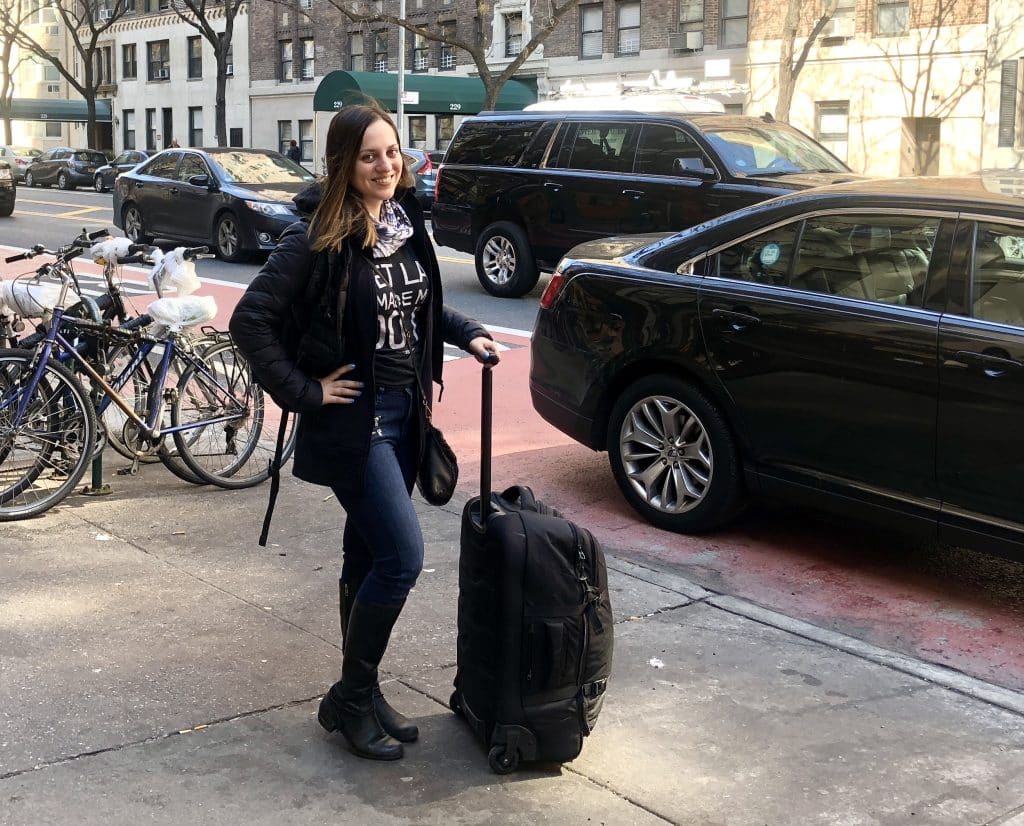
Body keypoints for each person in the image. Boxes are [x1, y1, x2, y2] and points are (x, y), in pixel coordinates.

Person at [229, 103, 500, 762]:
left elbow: (418, 305)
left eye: (392, 152)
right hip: (356, 427)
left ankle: (363, 688)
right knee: (402, 558)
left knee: (367, 557)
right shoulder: (316, 241)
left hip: (407, 415)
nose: (386, 166)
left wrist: (468, 333)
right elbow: (250, 321)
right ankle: (350, 699)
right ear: (344, 165)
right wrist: (306, 392)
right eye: (369, 156)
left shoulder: (405, 229)